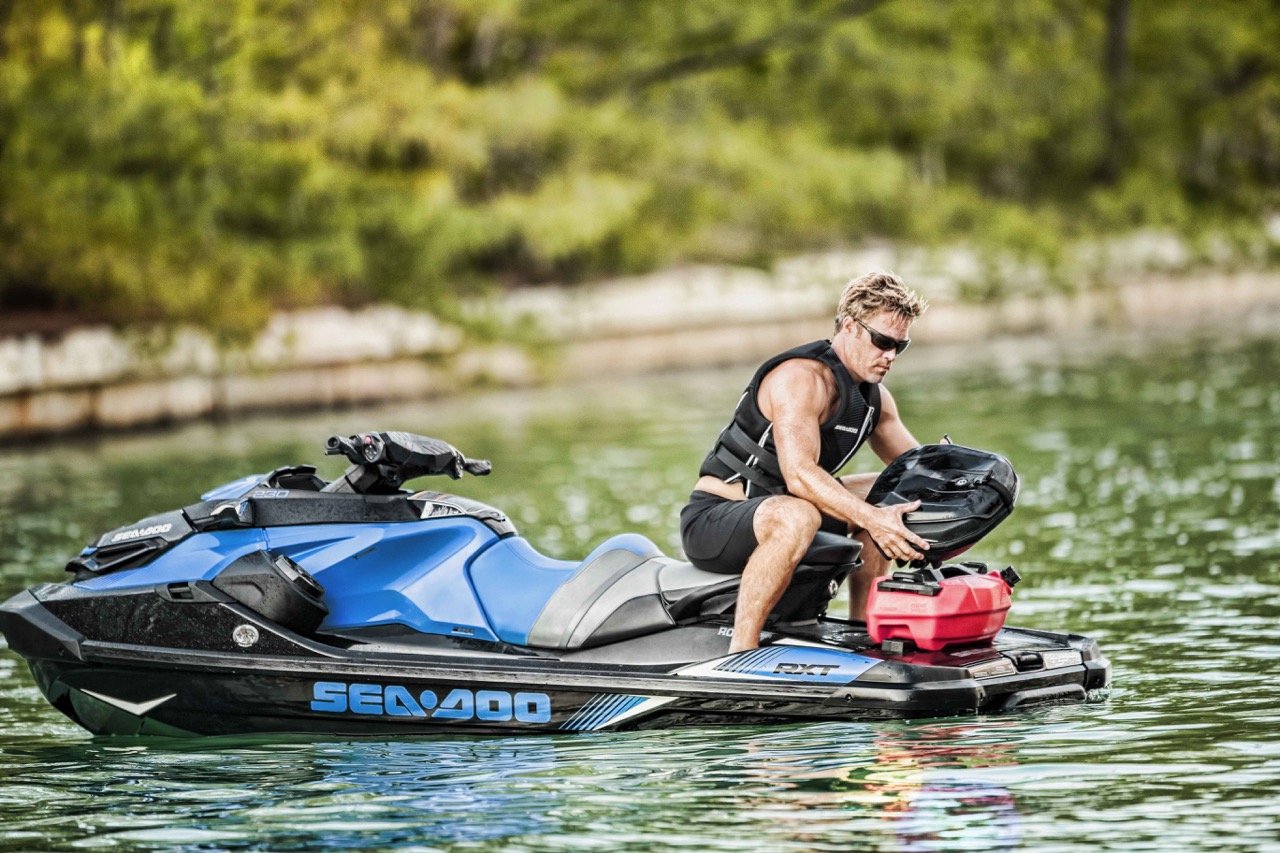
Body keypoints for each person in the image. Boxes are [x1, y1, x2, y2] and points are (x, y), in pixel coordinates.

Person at [680, 271, 933, 653]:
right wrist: (872, 518)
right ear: (850, 326)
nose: (890, 355)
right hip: (716, 519)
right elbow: (798, 475)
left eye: (901, 346)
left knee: (893, 495)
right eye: (882, 341)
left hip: (795, 508)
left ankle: (864, 635)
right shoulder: (800, 378)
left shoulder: (876, 402)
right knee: (800, 514)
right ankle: (740, 654)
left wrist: (964, 480)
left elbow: (918, 468)